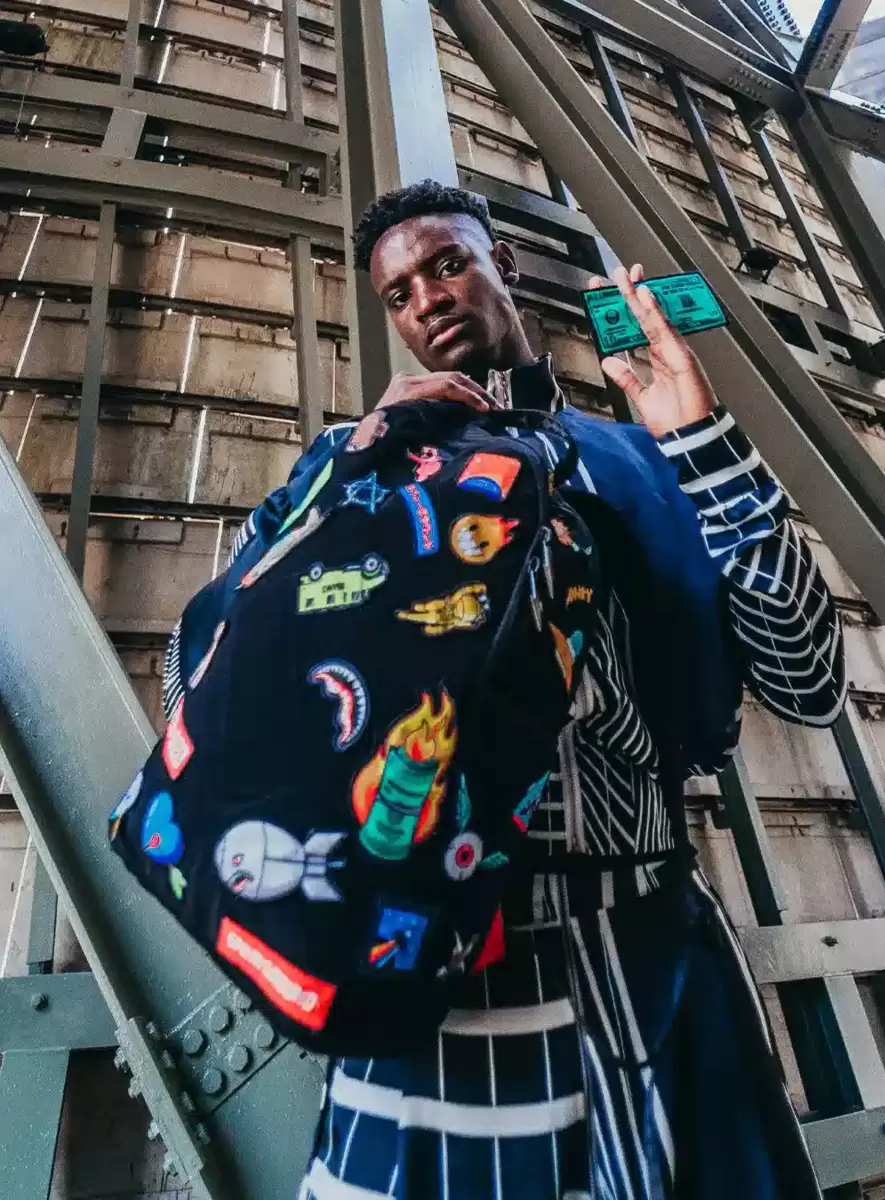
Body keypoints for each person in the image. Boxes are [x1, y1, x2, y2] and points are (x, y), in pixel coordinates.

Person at [215, 180, 846, 1199]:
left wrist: (702, 444)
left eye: (448, 264)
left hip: (639, 937)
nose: (427, 298)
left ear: (501, 264)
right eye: (399, 292)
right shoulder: (353, 464)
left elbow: (807, 679)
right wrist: (356, 468)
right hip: (429, 965)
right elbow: (216, 662)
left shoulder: (637, 458)